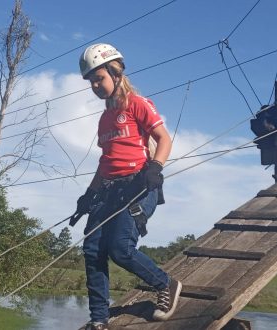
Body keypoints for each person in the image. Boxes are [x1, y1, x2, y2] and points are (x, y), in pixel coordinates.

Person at [72, 43, 182, 330]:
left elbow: (164, 138)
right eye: (91, 81)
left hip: (140, 185)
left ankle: (166, 284)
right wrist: (89, 194)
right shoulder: (104, 118)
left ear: (116, 72)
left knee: (120, 248)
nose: (95, 85)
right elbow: (106, 160)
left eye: (99, 78)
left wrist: (155, 168)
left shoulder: (137, 103)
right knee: (93, 250)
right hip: (108, 189)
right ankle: (99, 320)